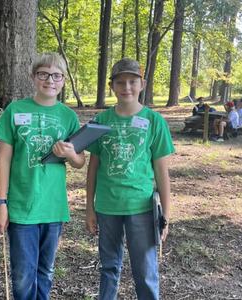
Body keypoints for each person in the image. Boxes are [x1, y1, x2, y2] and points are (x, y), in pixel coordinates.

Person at [0, 52, 85, 300]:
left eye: (56, 75)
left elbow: (79, 162)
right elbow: (3, 159)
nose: (50, 80)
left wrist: (69, 153)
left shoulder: (68, 116)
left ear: (63, 80)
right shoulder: (16, 110)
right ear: (33, 77)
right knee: (23, 273)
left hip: (53, 207)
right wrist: (1, 203)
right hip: (22, 206)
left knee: (46, 270)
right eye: (43, 74)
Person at [85, 58, 175, 300]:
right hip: (107, 206)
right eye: (120, 82)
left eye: (132, 81)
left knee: (145, 270)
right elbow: (93, 168)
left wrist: (166, 214)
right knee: (109, 267)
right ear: (112, 86)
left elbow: (161, 172)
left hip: (141, 208)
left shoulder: (154, 121)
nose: (127, 87)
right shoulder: (101, 121)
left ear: (142, 84)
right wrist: (89, 208)